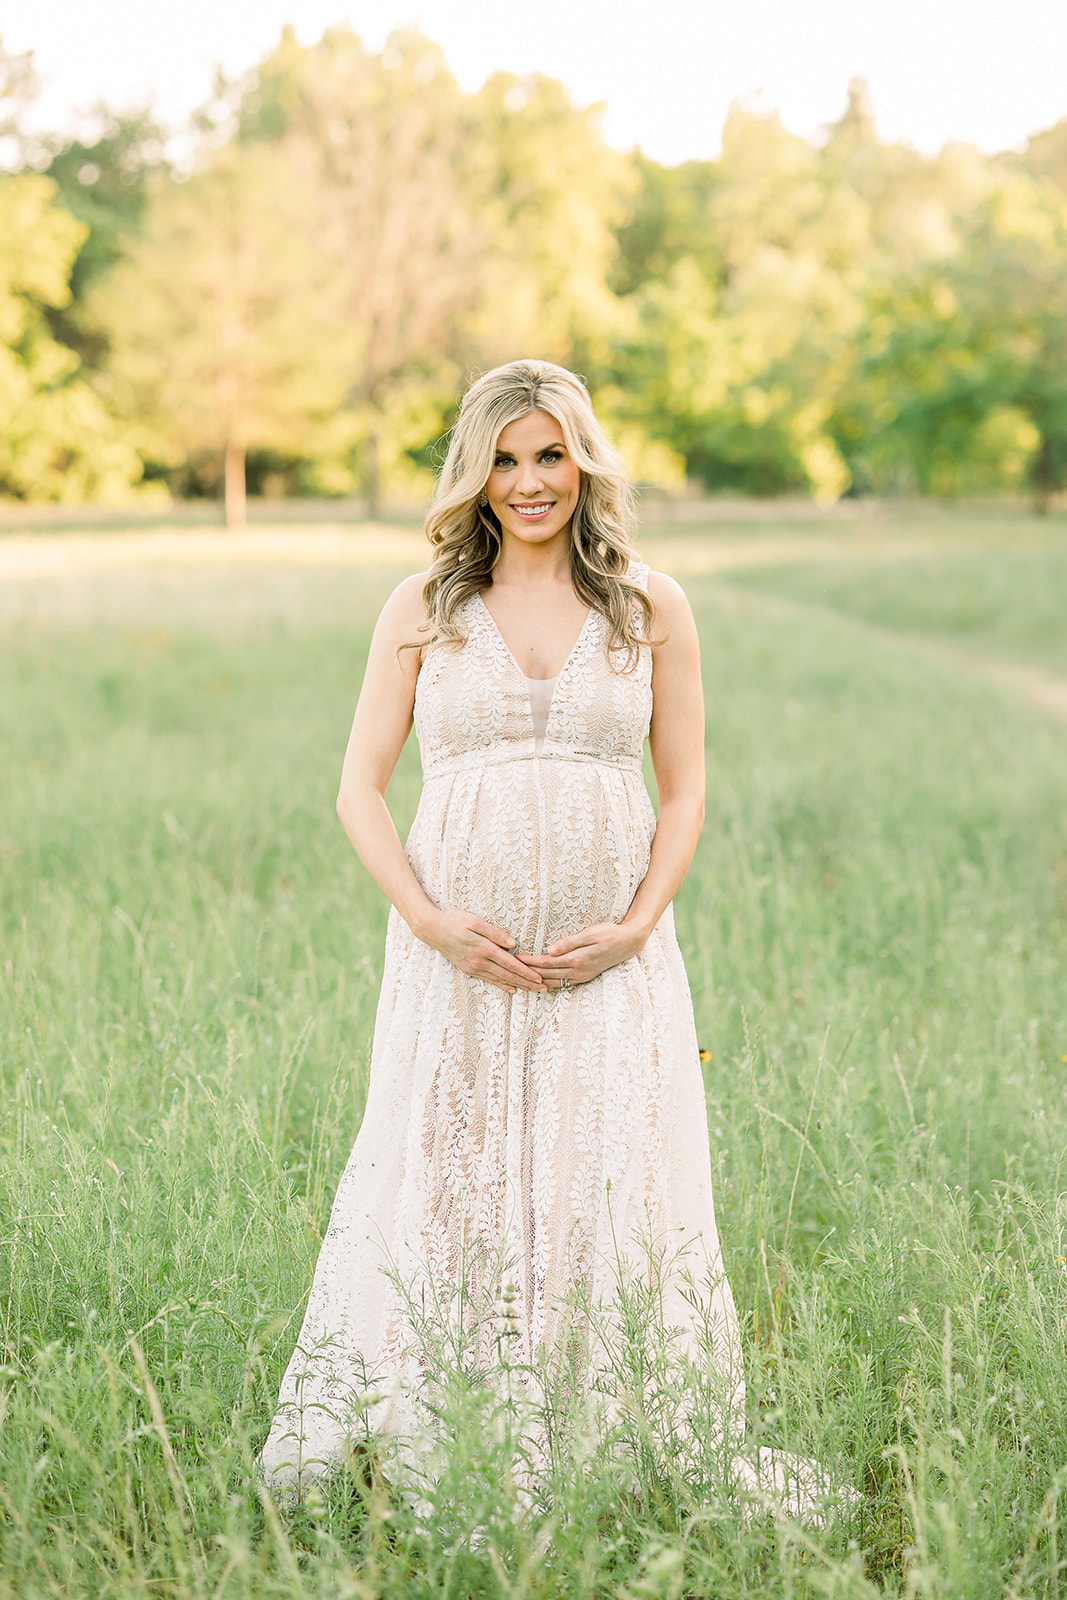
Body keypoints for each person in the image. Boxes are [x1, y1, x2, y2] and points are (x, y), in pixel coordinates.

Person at [260, 359, 780, 1504]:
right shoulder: (424, 605)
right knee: (447, 1179)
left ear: (583, 460)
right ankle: (437, 1424)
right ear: (474, 472)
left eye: (549, 454)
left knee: (602, 1183)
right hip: (457, 966)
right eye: (504, 457)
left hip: (610, 968)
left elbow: (684, 790)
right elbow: (358, 787)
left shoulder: (649, 605)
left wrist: (636, 925)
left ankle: (600, 1431)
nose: (529, 480)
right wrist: (432, 921)